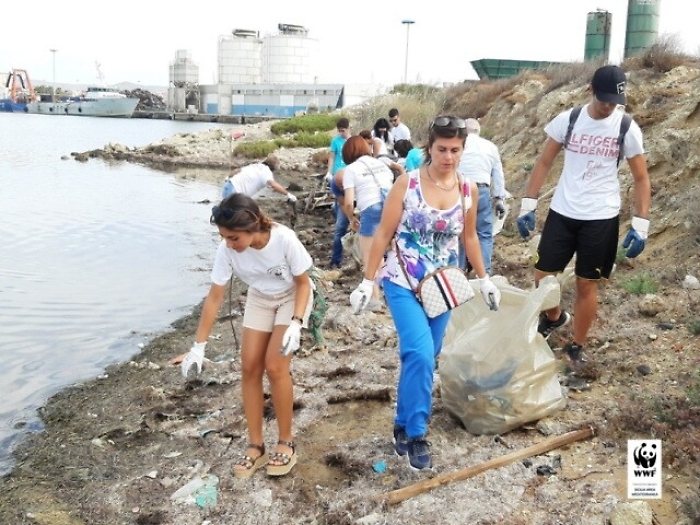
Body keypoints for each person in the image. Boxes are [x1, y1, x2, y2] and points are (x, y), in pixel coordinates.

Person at [350, 116, 501, 470]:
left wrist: (485, 279)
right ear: (430, 148)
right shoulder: (408, 183)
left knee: (423, 358)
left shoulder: (467, 189)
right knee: (419, 353)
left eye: (455, 150)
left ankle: (402, 424)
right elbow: (384, 233)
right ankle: (417, 434)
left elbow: (469, 238)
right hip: (402, 279)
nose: (448, 157)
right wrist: (367, 280)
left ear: (463, 150)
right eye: (441, 149)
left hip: (443, 287)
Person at [516, 64, 651, 366]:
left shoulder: (626, 128)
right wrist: (528, 204)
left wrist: (641, 224)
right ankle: (555, 317)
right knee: (542, 276)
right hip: (563, 211)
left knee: (585, 283)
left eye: (615, 101)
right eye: (604, 99)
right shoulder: (570, 120)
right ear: (591, 90)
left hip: (601, 216)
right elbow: (544, 161)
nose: (608, 106)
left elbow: (641, 177)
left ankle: (577, 345)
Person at [179, 193, 314, 478]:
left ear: (252, 226)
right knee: (250, 366)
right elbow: (215, 297)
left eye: (233, 238)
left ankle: (286, 442)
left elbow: (303, 284)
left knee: (275, 366)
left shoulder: (284, 239)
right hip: (260, 298)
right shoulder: (226, 250)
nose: (228, 243)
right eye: (223, 237)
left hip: (292, 297)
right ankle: (256, 446)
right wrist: (198, 346)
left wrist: (296, 323)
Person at [341, 135, 394, 309]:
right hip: (392, 207)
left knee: (369, 257)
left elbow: (349, 202)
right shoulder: (380, 163)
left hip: (371, 210)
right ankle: (393, 295)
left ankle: (374, 299)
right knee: (389, 255)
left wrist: (351, 218)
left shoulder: (351, 169)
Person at [457, 118, 507, 275]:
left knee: (459, 232)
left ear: (463, 131)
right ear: (478, 131)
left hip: (459, 189)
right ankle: (483, 273)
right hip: (482, 191)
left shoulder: (458, 144)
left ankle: (459, 271)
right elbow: (498, 175)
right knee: (484, 234)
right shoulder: (490, 147)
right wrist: (499, 199)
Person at [325, 118, 352, 269]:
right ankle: (336, 259)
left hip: (351, 180)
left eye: (343, 130)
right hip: (338, 178)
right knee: (340, 222)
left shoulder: (354, 141)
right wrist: (329, 172)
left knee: (342, 224)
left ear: (348, 128)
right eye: (339, 131)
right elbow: (332, 157)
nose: (341, 133)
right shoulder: (336, 142)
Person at [222, 154, 297, 204]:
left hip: (227, 187)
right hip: (235, 192)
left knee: (229, 216)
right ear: (274, 165)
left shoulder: (256, 165)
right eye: (277, 165)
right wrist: (288, 194)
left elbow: (237, 170)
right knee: (237, 216)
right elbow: (273, 184)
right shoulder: (266, 171)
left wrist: (228, 177)